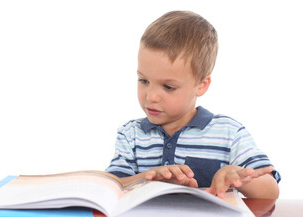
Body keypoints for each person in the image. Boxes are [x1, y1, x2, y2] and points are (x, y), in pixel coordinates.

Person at [106, 11, 281, 198]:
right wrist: (148, 179)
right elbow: (111, 185)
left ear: (201, 85)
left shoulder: (229, 133)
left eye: (168, 86)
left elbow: (271, 191)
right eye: (143, 81)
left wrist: (237, 176)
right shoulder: (131, 134)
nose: (151, 96)